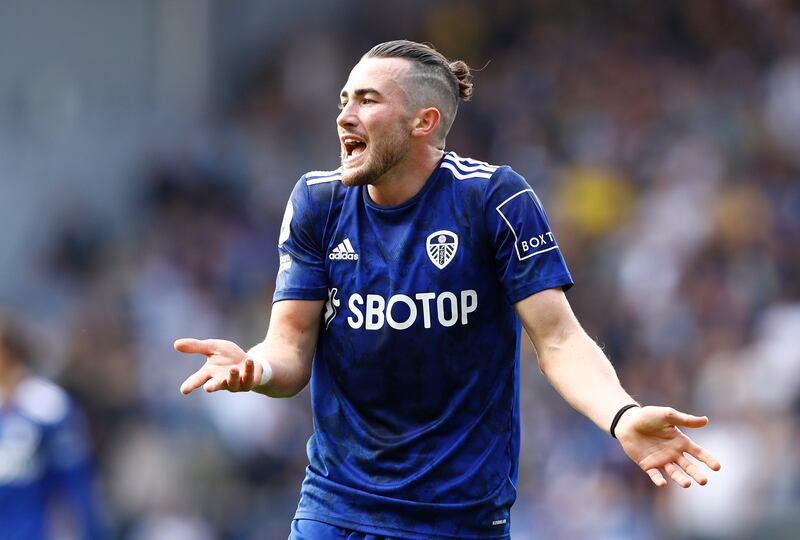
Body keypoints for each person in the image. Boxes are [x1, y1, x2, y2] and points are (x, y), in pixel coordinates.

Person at [175, 40, 721, 539]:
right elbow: (289, 346)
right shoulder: (318, 203)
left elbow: (558, 341)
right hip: (335, 509)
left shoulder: (492, 200)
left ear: (423, 121)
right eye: (344, 99)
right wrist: (256, 369)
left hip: (460, 519)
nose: (344, 116)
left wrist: (621, 416)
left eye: (367, 100)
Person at [0, 313, 104, 540]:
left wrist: (89, 531)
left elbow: (75, 479)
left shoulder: (47, 405)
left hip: (38, 530)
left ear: (8, 352)